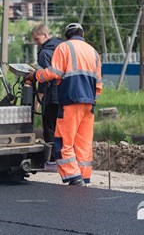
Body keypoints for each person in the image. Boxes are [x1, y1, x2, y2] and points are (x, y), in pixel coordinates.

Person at [27, 23, 102, 186]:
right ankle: (83, 176)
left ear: (67, 35)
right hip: (89, 104)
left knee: (62, 142)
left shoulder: (64, 48)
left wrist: (37, 75)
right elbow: (99, 84)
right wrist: (91, 100)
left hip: (70, 101)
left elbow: (55, 72)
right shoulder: (93, 52)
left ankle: (73, 177)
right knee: (83, 143)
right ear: (82, 34)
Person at [30, 24, 63, 172]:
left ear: (45, 35)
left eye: (37, 39)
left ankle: (52, 161)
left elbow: (44, 79)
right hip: (66, 95)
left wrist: (38, 99)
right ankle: (64, 160)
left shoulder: (44, 53)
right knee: (62, 128)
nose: (36, 43)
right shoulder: (62, 47)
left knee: (49, 128)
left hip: (52, 95)